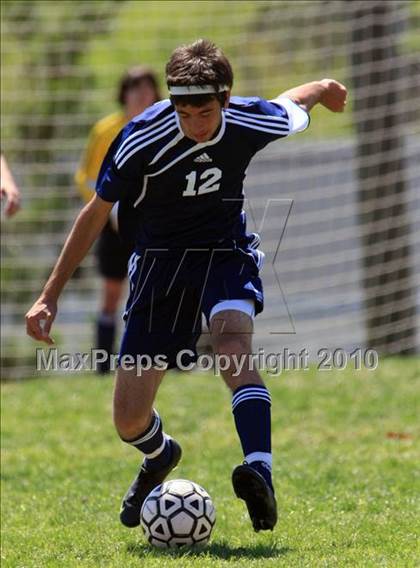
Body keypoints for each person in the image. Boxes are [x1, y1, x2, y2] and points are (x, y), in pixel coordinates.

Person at [26, 39, 347, 532]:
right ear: (171, 103)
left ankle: (260, 471)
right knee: (129, 420)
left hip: (225, 252)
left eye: (206, 112)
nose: (196, 124)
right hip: (159, 265)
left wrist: (323, 87)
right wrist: (49, 294)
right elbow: (95, 214)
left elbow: (294, 104)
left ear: (227, 98)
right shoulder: (140, 137)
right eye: (185, 112)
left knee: (233, 347)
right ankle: (160, 454)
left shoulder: (248, 120)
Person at [75, 67, 161, 373]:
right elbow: (86, 178)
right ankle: (102, 365)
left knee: (158, 292)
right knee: (112, 292)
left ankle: (156, 362)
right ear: (123, 94)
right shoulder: (105, 131)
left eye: (147, 88)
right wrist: (107, 210)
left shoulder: (165, 126)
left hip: (154, 224)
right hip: (112, 226)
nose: (141, 94)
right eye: (134, 88)